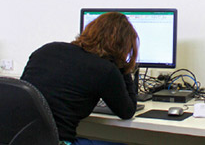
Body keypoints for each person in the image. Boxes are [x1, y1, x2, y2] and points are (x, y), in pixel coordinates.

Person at [21, 12, 139, 145]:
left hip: (17, 138)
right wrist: (124, 66)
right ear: (122, 45)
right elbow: (127, 111)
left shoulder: (46, 50)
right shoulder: (105, 70)